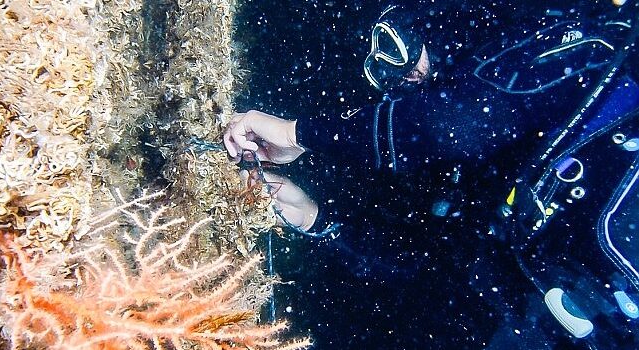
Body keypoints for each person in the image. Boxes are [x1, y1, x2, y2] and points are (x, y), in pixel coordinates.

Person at [225, 1, 639, 348]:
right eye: (378, 72)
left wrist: (296, 132)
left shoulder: (584, 43)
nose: (395, 73)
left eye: (392, 44)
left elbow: (460, 124)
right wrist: (314, 216)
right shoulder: (475, 168)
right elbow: (435, 266)